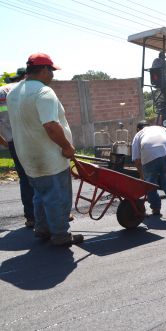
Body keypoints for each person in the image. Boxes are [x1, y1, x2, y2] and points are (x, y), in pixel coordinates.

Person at [7, 53, 83, 246]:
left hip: (27, 156)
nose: (52, 75)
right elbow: (50, 125)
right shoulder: (44, 92)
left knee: (40, 194)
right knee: (57, 197)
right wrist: (67, 147)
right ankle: (60, 236)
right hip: (49, 157)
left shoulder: (13, 93)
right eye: (51, 71)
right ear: (43, 70)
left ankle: (42, 229)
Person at [0, 68, 35, 228]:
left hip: (13, 141)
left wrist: (4, 140)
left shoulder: (2, 91)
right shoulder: (27, 89)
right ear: (26, 76)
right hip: (32, 140)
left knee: (24, 179)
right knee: (43, 176)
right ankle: (49, 215)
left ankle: (31, 217)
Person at [131, 121, 166, 221]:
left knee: (150, 185)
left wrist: (142, 175)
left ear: (138, 129)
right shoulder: (161, 128)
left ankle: (156, 209)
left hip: (149, 156)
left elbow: (136, 159)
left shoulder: (138, 134)